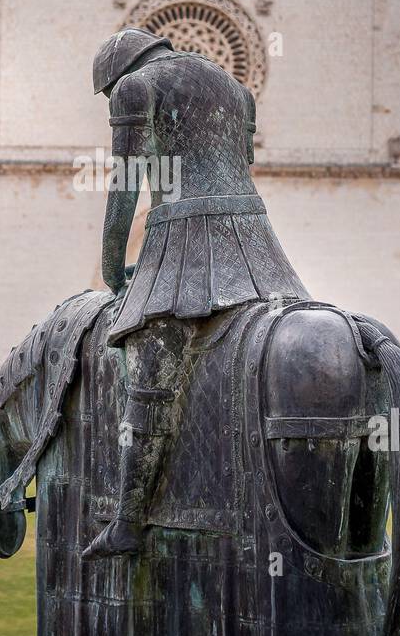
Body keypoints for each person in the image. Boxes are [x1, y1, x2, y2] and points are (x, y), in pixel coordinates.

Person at [82, 28, 308, 559]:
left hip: (185, 241)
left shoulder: (134, 87)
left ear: (117, 74)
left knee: (150, 372)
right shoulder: (235, 89)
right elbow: (235, 169)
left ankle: (129, 522)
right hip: (259, 247)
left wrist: (113, 267)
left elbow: (126, 186)